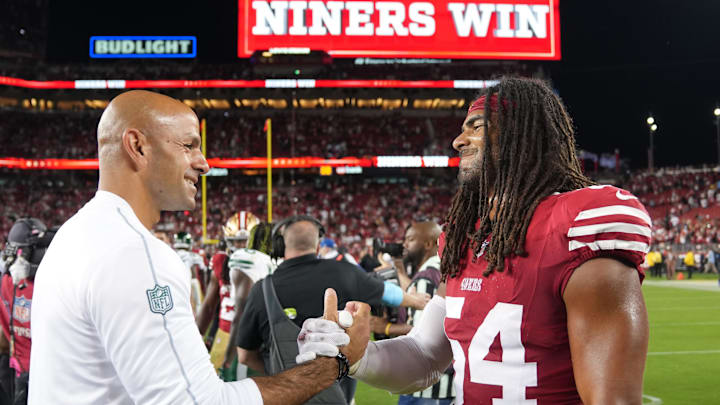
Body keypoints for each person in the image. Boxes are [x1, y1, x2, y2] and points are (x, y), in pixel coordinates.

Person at [299, 77, 652, 404]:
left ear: (521, 135)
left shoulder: (578, 226)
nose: (458, 141)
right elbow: (425, 356)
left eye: (477, 127)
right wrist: (360, 355)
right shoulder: (465, 238)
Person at [28, 90, 360, 405]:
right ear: (137, 146)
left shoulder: (74, 235)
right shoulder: (135, 254)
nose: (204, 163)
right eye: (189, 145)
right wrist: (327, 368)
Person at [235, 215, 430, 404]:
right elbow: (388, 293)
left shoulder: (263, 289)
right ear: (318, 245)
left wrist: (280, 375)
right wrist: (416, 301)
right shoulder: (345, 271)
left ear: (279, 246)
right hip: (339, 394)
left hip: (285, 396)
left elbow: (245, 355)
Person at [196, 211, 269, 377]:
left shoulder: (266, 262)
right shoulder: (220, 262)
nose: (242, 246)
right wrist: (195, 335)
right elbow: (209, 305)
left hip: (256, 339)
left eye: (246, 241)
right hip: (225, 332)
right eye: (237, 241)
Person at [0, 218, 55, 405]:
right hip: (23, 368)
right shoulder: (8, 283)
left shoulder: (51, 286)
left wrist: (36, 271)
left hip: (45, 371)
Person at [174, 231, 209, 314]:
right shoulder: (193, 255)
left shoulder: (171, 254)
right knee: (197, 304)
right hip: (190, 282)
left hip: (176, 282)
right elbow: (203, 269)